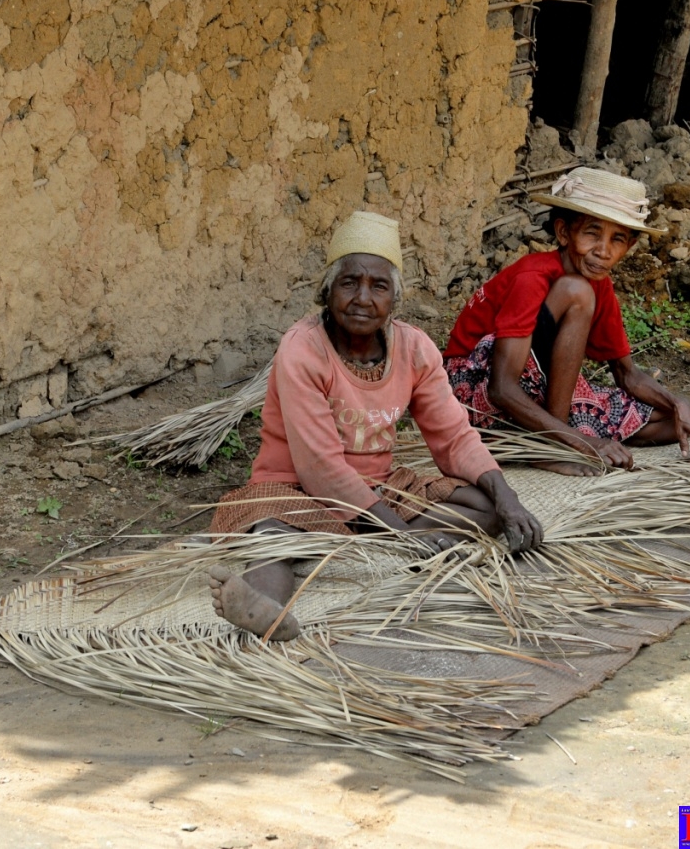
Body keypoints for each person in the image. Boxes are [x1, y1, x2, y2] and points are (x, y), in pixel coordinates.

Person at [206, 210, 542, 642]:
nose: (363, 298)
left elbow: (454, 436)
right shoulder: (303, 350)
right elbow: (321, 470)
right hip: (296, 490)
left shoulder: (414, 349)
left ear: (394, 299)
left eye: (378, 286)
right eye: (349, 283)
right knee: (273, 533)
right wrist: (404, 537)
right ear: (327, 292)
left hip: (382, 491)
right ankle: (266, 611)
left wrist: (508, 497)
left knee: (486, 508)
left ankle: (354, 545)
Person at [443, 166, 690, 476]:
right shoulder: (534, 277)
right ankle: (551, 445)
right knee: (576, 291)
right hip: (470, 395)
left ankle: (552, 434)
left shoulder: (600, 284)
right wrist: (580, 442)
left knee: (667, 423)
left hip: (534, 391)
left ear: (629, 247)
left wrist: (680, 404)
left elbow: (626, 375)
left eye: (618, 239)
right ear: (564, 232)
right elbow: (502, 388)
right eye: (591, 233)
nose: (603, 251)